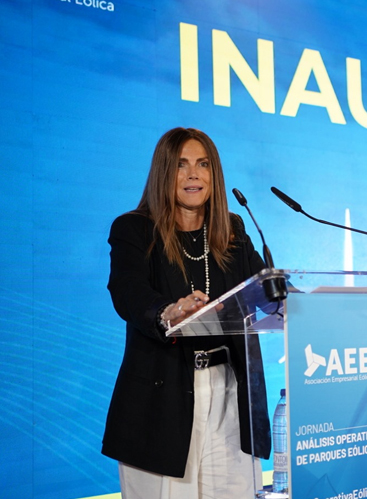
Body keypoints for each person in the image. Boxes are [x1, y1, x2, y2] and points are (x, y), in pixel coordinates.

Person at [102, 127, 271, 498]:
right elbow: (127, 291)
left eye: (203, 164)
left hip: (230, 395)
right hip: (162, 401)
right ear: (164, 172)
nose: (194, 174)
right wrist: (167, 311)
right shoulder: (134, 229)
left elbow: (266, 290)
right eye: (181, 165)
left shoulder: (233, 232)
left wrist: (299, 302)